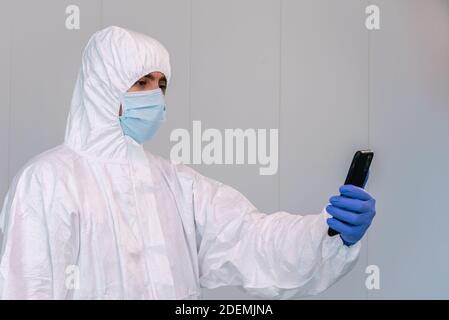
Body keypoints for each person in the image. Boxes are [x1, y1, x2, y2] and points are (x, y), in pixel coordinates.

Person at [0, 26, 376, 299]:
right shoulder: (48, 182)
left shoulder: (174, 184)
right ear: (103, 85)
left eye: (161, 85)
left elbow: (250, 240)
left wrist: (328, 234)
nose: (156, 97)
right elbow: (25, 286)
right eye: (142, 82)